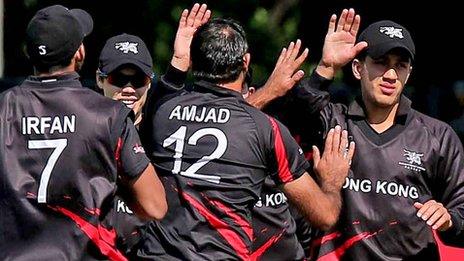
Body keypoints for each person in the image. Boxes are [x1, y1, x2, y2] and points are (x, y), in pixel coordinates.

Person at [136, 14, 355, 260]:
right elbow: (324, 216)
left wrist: (178, 61)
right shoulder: (266, 129)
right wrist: (332, 182)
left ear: (194, 61)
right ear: (246, 62)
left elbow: (162, 95)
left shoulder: (162, 112)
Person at [253, 9, 464, 260]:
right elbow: (289, 119)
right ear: (357, 68)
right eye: (380, 62)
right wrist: (326, 68)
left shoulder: (438, 136)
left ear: (408, 74)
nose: (390, 75)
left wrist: (449, 220)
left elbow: (460, 210)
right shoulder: (332, 121)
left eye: (400, 66)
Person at [0, 5, 167, 260]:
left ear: (29, 53)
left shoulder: (3, 109)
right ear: (80, 52)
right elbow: (155, 206)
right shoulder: (107, 114)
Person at [97, 33, 154, 128]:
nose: (129, 89)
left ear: (149, 83)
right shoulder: (85, 135)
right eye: (118, 79)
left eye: (138, 80)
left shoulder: (160, 136)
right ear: (99, 79)